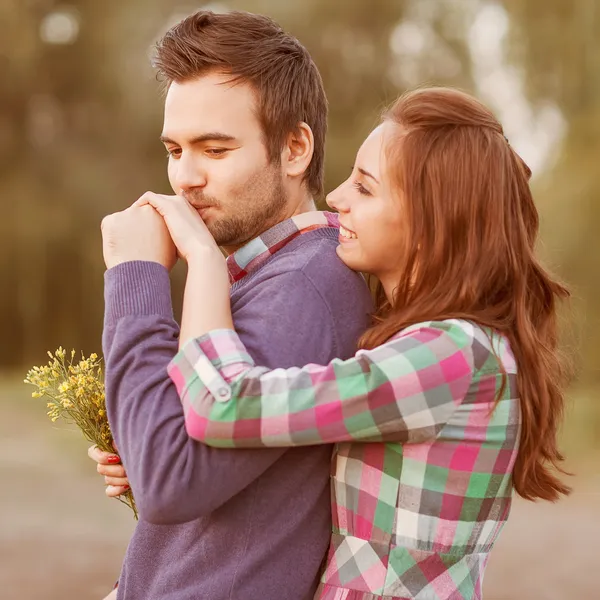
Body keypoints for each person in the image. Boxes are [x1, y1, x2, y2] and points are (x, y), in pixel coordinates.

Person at [137, 86, 571, 600]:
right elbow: (299, 454)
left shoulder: (448, 355)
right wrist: (150, 446)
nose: (338, 198)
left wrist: (204, 259)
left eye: (365, 189)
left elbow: (224, 404)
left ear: (433, 223)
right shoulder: (430, 344)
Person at [93, 10, 373, 600]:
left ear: (294, 148)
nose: (185, 177)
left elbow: (171, 482)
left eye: (214, 150)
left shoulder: (306, 285)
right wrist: (137, 439)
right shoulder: (256, 275)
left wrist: (134, 275)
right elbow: (183, 465)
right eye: (174, 149)